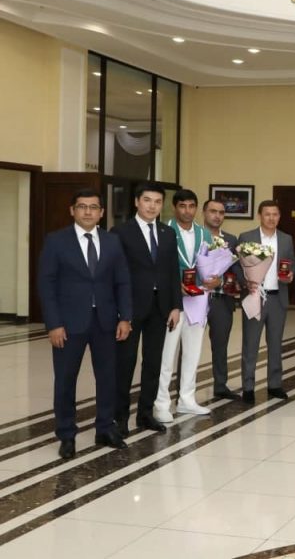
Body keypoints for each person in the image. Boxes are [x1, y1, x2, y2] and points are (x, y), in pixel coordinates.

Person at [38, 188, 132, 458]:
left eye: (93, 207)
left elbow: (122, 281)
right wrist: (53, 324)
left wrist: (125, 317)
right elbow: (46, 285)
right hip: (68, 324)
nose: (87, 212)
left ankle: (105, 428)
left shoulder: (112, 242)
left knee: (107, 378)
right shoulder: (56, 241)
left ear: (101, 212)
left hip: (106, 321)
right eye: (82, 206)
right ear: (72, 210)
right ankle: (66, 434)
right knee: (65, 380)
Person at [112, 183, 181, 436]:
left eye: (157, 201)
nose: (152, 206)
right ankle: (120, 418)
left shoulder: (167, 233)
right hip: (130, 308)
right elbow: (115, 273)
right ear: (137, 202)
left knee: (153, 362)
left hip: (160, 307)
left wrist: (175, 306)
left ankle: (145, 414)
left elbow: (173, 271)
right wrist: (121, 311)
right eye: (147, 200)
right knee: (125, 363)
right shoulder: (120, 232)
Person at [154, 189, 216, 423]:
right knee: (167, 353)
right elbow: (157, 267)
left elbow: (209, 264)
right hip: (172, 300)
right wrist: (173, 285)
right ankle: (161, 403)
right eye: (182, 206)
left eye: (191, 206)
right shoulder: (164, 231)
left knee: (193, 351)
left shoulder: (204, 233)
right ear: (174, 207)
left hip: (197, 297)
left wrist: (215, 279)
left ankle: (187, 399)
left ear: (196, 208)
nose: (187, 211)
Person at [238, 200, 295, 404]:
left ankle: (275, 384)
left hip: (277, 298)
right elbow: (238, 267)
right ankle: (248, 387)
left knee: (276, 344)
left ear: (279, 217)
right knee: (250, 344)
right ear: (259, 216)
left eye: (275, 214)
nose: (271, 218)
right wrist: (245, 281)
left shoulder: (286, 239)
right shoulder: (247, 237)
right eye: (267, 214)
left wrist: (290, 275)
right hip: (255, 296)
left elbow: (291, 264)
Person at [202, 199, 243, 400]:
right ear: (204, 213)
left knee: (220, 345)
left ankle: (220, 384)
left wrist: (232, 282)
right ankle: (184, 388)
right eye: (213, 211)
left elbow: (235, 270)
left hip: (221, 300)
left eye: (221, 212)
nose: (217, 216)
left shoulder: (231, 240)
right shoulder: (196, 236)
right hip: (195, 299)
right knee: (189, 345)